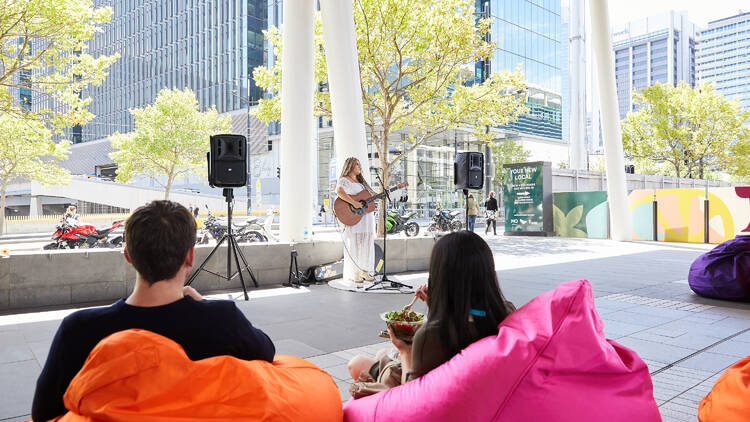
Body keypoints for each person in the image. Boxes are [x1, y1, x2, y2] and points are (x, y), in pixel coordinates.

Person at [31, 200, 275, 422]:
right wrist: (204, 305)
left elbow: (44, 413)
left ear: (128, 255)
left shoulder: (79, 329)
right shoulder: (223, 320)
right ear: (190, 256)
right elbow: (267, 354)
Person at [347, 231, 515, 397]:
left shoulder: (431, 335)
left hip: (419, 390)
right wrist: (437, 307)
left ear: (441, 276)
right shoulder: (506, 312)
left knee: (356, 363)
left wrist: (405, 350)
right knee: (382, 354)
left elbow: (411, 397)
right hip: (473, 390)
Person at [336, 157, 376, 287]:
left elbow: (369, 196)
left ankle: (365, 271)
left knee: (366, 243)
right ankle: (355, 273)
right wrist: (354, 203)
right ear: (350, 166)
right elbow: (339, 192)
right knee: (355, 243)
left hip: (366, 218)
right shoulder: (344, 180)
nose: (359, 166)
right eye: (357, 164)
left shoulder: (361, 182)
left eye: (359, 164)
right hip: (355, 217)